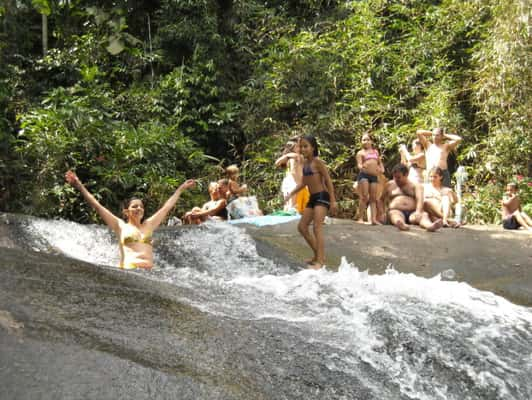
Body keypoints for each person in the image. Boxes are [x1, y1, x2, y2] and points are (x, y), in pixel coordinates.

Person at [65, 170, 195, 269]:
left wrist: (181, 188)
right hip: (130, 269)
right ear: (126, 212)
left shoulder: (148, 225)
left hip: (150, 271)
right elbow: (97, 206)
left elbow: (166, 208)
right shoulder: (120, 225)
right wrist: (79, 185)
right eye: (134, 206)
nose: (139, 208)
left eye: (141, 206)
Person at [284, 135, 337, 269]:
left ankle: (320, 262)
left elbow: (328, 180)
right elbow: (303, 183)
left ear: (313, 148)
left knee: (316, 227)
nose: (303, 149)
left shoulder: (318, 162)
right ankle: (318, 255)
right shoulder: (305, 164)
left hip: (322, 196)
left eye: (306, 146)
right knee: (302, 227)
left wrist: (333, 200)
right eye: (301, 146)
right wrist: (291, 194)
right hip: (312, 198)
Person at [382, 164, 442, 232]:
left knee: (423, 215)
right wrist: (382, 212)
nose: (396, 180)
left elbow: (420, 199)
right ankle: (401, 224)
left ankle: (429, 225)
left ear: (406, 175)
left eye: (398, 177)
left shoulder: (416, 186)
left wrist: (418, 211)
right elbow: (381, 199)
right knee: (394, 214)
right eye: (394, 177)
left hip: (412, 212)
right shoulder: (389, 185)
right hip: (396, 210)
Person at [355, 133, 385, 225]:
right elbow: (359, 164)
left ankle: (373, 219)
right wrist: (362, 166)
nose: (366, 141)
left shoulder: (375, 152)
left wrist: (381, 169)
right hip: (364, 175)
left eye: (368, 139)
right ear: (361, 142)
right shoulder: (360, 153)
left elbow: (380, 163)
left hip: (374, 176)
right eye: (364, 140)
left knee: (373, 198)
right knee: (364, 196)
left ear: (371, 141)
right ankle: (360, 217)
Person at [274, 137, 310, 213]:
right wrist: (288, 155)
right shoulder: (291, 158)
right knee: (292, 206)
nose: (299, 148)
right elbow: (277, 163)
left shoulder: (300, 157)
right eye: (297, 146)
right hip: (292, 183)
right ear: (292, 147)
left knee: (300, 206)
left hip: (299, 183)